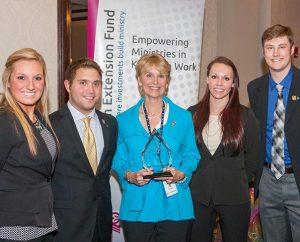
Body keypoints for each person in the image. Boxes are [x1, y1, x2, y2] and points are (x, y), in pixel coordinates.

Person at [112, 53, 200, 242]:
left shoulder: (183, 118)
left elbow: (192, 155)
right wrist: (130, 175)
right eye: (149, 75)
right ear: (139, 79)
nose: (155, 81)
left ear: (167, 82)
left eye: (161, 76)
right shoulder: (123, 121)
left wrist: (181, 173)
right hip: (137, 206)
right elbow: (118, 160)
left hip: (175, 206)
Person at [188, 56, 260, 242]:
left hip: (234, 196)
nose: (219, 83)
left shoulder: (246, 116)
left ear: (233, 83)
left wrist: (239, 178)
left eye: (226, 78)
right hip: (198, 196)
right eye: (214, 76)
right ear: (207, 79)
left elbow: (254, 157)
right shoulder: (191, 114)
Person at [50, 59, 118, 242]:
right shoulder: (50, 125)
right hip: (65, 226)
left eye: (96, 84)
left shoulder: (110, 124)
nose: (91, 90)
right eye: (83, 83)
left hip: (101, 223)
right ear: (68, 85)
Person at [248, 24, 300, 241]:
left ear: (292, 49)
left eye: (281, 47)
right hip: (268, 180)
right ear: (263, 52)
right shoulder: (255, 88)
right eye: (270, 47)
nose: (276, 53)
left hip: (297, 180)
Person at [0, 48, 58, 241]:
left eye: (37, 78)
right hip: (13, 229)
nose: (31, 85)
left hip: (39, 223)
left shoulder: (38, 118)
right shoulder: (5, 120)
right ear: (8, 81)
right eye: (22, 78)